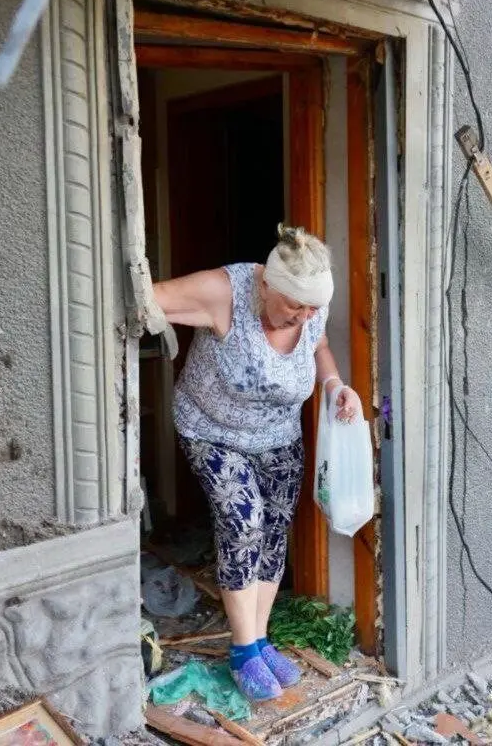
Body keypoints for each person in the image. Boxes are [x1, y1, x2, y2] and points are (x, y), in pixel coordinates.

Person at [151, 224, 361, 701]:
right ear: (266, 284)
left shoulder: (312, 305)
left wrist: (334, 386)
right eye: (294, 307)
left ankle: (261, 640)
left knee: (273, 529)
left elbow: (319, 346)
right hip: (212, 430)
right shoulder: (223, 292)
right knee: (242, 522)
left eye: (311, 309)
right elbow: (147, 297)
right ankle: (244, 650)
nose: (303, 317)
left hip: (279, 434)